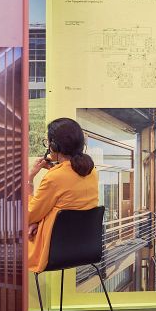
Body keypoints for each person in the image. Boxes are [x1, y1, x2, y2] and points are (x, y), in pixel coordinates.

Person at [28, 117, 99, 273]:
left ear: (54, 146)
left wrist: (30, 178)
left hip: (53, 254)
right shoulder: (92, 172)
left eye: (48, 142)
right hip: (84, 250)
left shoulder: (54, 177)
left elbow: (29, 215)